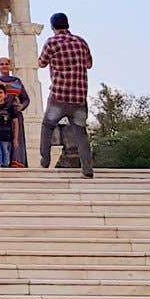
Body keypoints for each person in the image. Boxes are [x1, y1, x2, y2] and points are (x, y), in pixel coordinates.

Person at [38, 12, 94, 177]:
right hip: (79, 96)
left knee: (47, 126)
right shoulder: (81, 41)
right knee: (81, 133)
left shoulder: (52, 42)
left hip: (59, 95)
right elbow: (89, 64)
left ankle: (45, 159)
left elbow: (41, 63)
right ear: (67, 24)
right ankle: (87, 169)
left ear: (53, 27)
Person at [0, 56, 30, 169]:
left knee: (16, 140)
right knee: (0, 140)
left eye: (6, 64)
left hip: (15, 115)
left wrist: (21, 107)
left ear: (10, 66)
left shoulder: (17, 81)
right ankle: (1, 164)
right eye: (1, 64)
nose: (4, 66)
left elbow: (26, 99)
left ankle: (16, 163)